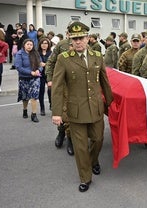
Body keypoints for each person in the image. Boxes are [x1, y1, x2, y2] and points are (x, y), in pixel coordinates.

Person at [51, 21, 113, 193]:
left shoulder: (97, 56)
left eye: (81, 38)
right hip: (76, 111)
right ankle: (85, 177)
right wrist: (57, 113)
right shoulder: (63, 59)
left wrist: (111, 103)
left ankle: (93, 161)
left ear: (88, 38)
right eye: (75, 38)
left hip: (96, 108)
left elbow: (104, 81)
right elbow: (57, 87)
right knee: (80, 147)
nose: (78, 42)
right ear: (71, 40)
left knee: (98, 139)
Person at [46, 31, 75, 155]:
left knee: (74, 111)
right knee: (63, 110)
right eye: (72, 32)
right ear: (67, 33)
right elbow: (51, 62)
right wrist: (49, 79)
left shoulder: (84, 45)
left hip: (76, 84)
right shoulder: (61, 45)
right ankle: (62, 132)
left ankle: (71, 138)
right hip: (63, 82)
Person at [14, 39, 42, 123]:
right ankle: (25, 109)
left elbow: (40, 64)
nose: (29, 46)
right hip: (24, 78)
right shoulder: (20, 54)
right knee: (25, 97)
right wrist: (30, 72)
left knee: (34, 96)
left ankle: (34, 114)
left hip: (35, 78)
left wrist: (38, 70)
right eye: (28, 44)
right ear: (24, 45)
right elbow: (18, 67)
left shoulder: (36, 53)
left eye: (31, 45)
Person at [38, 38, 52, 116]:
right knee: (41, 91)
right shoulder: (37, 53)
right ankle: (42, 108)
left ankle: (51, 104)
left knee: (50, 90)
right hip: (40, 75)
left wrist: (46, 64)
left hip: (49, 74)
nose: (44, 45)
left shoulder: (51, 53)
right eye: (42, 43)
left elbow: (54, 63)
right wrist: (39, 64)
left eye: (46, 43)